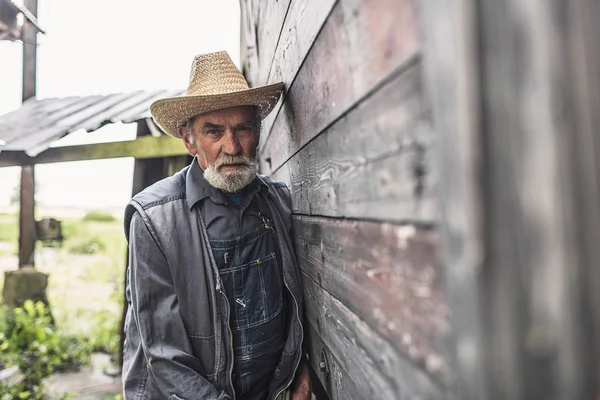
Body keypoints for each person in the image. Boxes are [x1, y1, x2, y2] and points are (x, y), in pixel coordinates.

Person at [122, 51, 311, 400]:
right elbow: (164, 354)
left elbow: (296, 312)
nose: (232, 146)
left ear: (257, 132)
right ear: (189, 140)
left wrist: (298, 372)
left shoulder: (279, 202)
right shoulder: (153, 219)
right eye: (214, 131)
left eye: (243, 128)